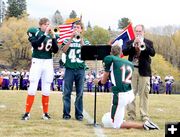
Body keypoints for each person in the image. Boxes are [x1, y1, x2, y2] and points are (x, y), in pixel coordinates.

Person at [94, 45, 159, 130]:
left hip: (120, 95)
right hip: (129, 93)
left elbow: (103, 80)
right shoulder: (129, 63)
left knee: (116, 125)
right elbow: (117, 76)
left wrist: (98, 82)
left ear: (111, 53)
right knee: (115, 117)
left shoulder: (110, 59)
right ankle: (120, 119)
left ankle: (144, 125)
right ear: (121, 53)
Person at [21, 17, 59, 120]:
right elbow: (35, 44)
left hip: (48, 62)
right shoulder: (34, 31)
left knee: (46, 86)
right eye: (46, 24)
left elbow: (55, 50)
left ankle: (45, 113)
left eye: (48, 24)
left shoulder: (51, 35)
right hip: (37, 61)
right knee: (33, 85)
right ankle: (27, 113)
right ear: (41, 25)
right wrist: (45, 34)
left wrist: (54, 37)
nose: (48, 26)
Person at [122, 24, 155, 121]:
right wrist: (133, 45)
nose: (138, 33)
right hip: (132, 70)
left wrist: (143, 45)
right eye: (137, 31)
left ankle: (144, 115)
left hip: (144, 71)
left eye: (140, 31)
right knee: (130, 93)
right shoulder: (130, 42)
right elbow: (124, 52)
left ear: (143, 32)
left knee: (144, 94)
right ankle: (131, 115)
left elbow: (152, 53)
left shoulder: (148, 42)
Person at [61, 21, 90, 121]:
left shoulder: (85, 41)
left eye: (78, 27)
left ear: (81, 29)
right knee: (66, 92)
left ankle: (79, 114)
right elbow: (64, 50)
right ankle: (66, 114)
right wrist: (70, 38)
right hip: (69, 69)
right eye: (75, 27)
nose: (76, 29)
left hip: (80, 69)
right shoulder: (66, 39)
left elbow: (87, 53)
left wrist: (80, 39)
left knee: (80, 93)